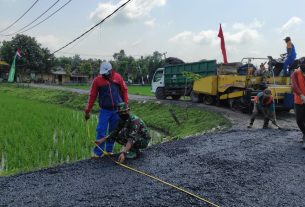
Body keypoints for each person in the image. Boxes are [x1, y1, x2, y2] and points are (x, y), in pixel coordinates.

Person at [84, 61, 128, 158]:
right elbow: (92, 96)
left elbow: (124, 90)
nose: (104, 75)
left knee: (113, 131)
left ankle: (109, 151)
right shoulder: (97, 81)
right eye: (103, 73)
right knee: (101, 130)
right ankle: (98, 153)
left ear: (111, 70)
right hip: (105, 110)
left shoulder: (118, 77)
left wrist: (125, 104)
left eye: (106, 73)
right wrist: (87, 110)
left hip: (117, 110)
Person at [291, 58, 305, 149]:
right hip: (299, 101)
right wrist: (301, 95)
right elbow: (294, 85)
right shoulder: (295, 73)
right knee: (299, 120)